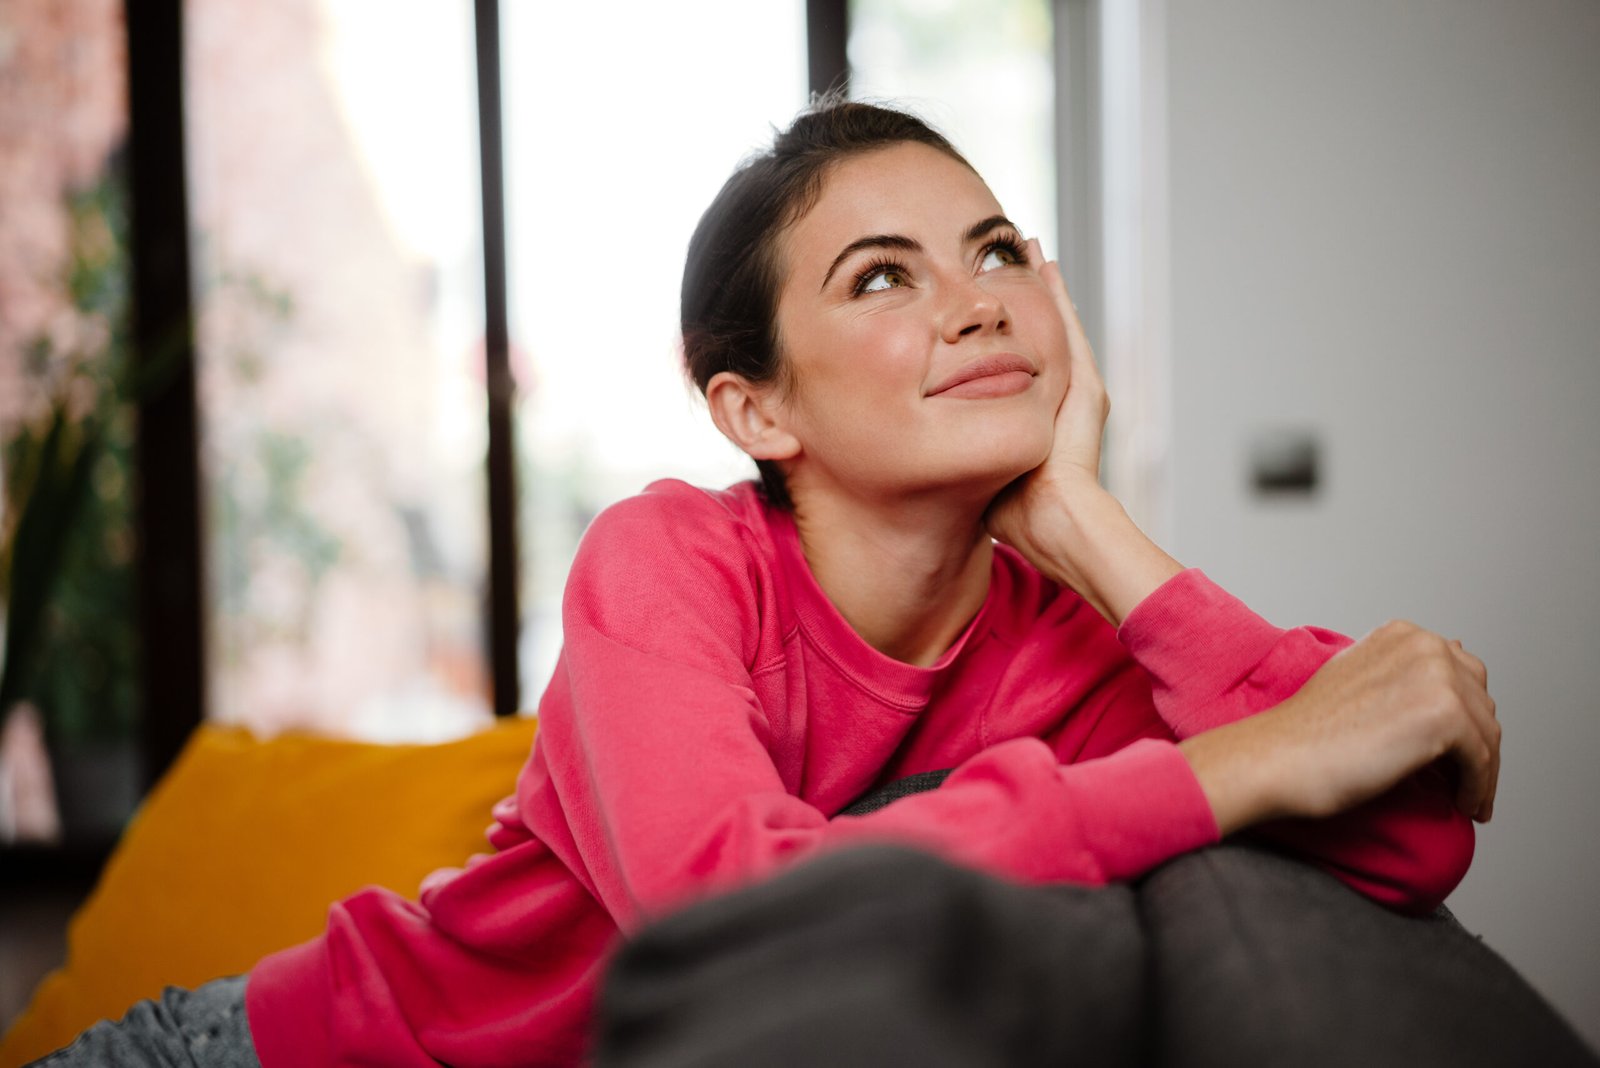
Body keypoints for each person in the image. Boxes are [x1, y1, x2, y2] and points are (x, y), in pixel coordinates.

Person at [31, 98, 1502, 1068]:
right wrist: (1248, 762)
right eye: (883, 276)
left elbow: (1408, 843)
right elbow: (719, 897)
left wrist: (1101, 532)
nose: (980, 296)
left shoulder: (1063, 642)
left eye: (997, 251)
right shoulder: (669, 559)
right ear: (756, 412)